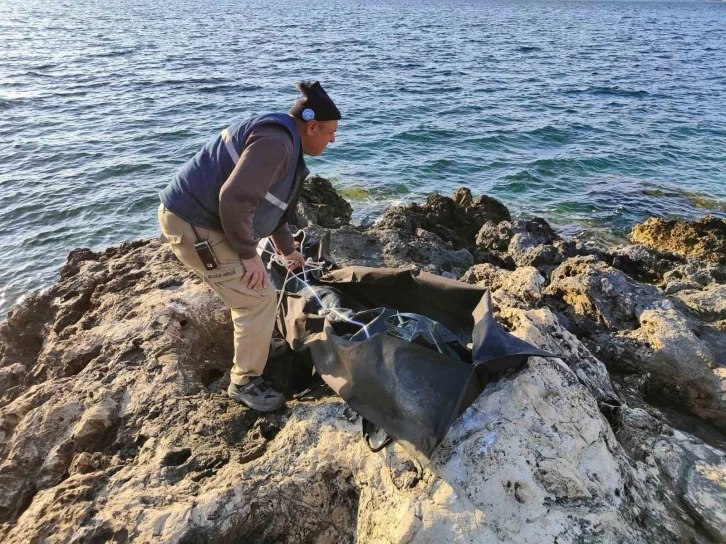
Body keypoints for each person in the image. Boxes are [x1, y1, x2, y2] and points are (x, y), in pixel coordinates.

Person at [157, 81, 340, 411]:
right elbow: (236, 197)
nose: (333, 139)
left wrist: (287, 250)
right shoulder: (276, 144)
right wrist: (247, 253)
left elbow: (270, 205)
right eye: (329, 132)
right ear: (311, 125)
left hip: (203, 220)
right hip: (192, 226)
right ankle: (244, 382)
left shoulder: (282, 137)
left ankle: (257, 347)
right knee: (256, 298)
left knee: (256, 291)